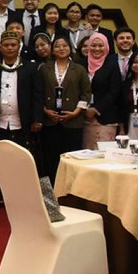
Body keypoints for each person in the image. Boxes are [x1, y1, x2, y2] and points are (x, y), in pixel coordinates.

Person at [0, 30, 43, 203]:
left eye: (13, 45)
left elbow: (37, 96)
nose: (9, 48)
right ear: (0, 47)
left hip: (22, 122)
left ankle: (22, 196)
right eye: (6, 45)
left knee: (22, 160)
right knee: (1, 160)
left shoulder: (30, 68)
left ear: (19, 47)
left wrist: (37, 119)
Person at [39, 37, 91, 181]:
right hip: (50, 120)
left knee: (71, 157)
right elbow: (38, 92)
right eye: (57, 46)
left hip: (73, 121)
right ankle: (53, 190)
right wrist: (45, 110)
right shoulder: (44, 68)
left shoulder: (79, 69)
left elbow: (86, 94)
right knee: (50, 157)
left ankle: (71, 190)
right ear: (52, 50)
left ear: (70, 49)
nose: (61, 48)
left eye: (65, 46)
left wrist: (76, 112)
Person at [82, 32, 122, 150]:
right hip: (83, 117)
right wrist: (84, 108)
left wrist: (96, 109)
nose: (97, 49)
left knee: (103, 154)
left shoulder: (112, 65)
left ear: (107, 47)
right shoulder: (80, 64)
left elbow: (114, 91)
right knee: (85, 153)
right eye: (93, 45)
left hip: (106, 118)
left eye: (101, 45)